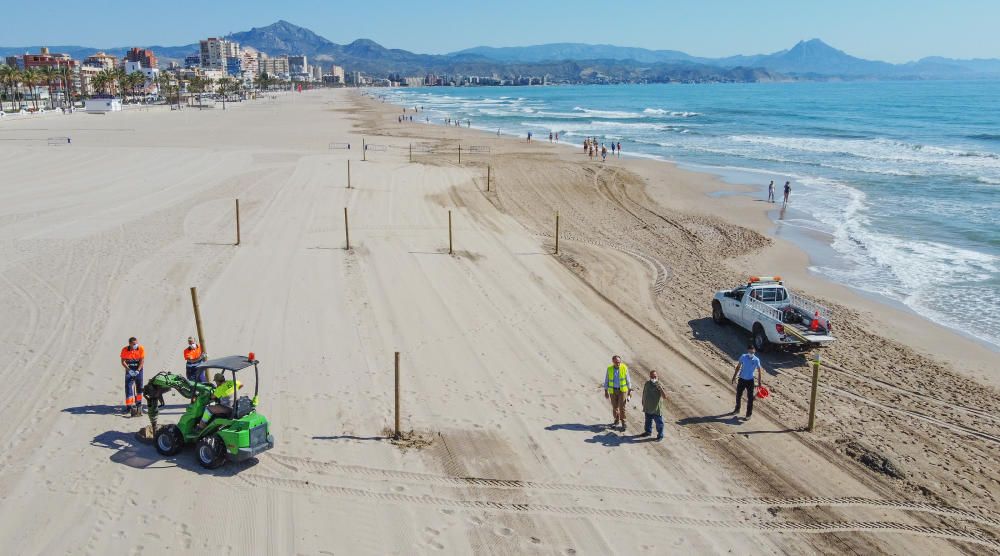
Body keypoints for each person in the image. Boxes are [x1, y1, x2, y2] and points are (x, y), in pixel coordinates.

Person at [730, 345, 765, 421]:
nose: (751, 353)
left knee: (750, 399)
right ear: (747, 351)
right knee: (738, 395)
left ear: (754, 351)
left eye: (752, 352)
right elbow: (738, 367)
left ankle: (748, 415)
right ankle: (737, 409)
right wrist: (734, 376)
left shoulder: (756, 360)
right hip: (741, 379)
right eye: (749, 351)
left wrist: (759, 383)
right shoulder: (743, 357)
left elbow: (759, 371)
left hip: (750, 381)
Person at [604, 355, 631, 430]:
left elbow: (628, 379)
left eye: (619, 362)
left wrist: (629, 390)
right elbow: (607, 380)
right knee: (614, 407)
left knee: (622, 407)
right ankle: (616, 420)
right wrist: (606, 391)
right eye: (616, 362)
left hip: (622, 390)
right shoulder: (609, 369)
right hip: (612, 391)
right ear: (613, 362)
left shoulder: (624, 367)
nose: (618, 363)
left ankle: (623, 422)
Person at [120, 337, 145, 417]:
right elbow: (123, 361)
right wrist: (128, 370)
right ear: (130, 344)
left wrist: (138, 370)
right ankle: (129, 406)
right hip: (129, 369)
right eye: (134, 344)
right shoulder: (125, 350)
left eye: (136, 343)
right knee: (128, 387)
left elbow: (142, 360)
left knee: (139, 387)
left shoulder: (140, 348)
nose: (136, 345)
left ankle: (139, 404)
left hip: (138, 370)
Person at [639, 370, 667, 440]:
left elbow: (665, 396)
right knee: (648, 421)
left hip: (656, 409)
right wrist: (643, 401)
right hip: (648, 407)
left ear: (657, 376)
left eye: (655, 376)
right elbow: (644, 393)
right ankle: (648, 432)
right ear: (649, 376)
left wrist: (660, 388)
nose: (653, 378)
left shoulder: (659, 384)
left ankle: (660, 435)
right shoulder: (647, 383)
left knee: (659, 423)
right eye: (652, 376)